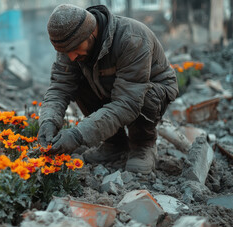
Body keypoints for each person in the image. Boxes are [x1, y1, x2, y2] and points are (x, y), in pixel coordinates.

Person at [38, 4, 178, 174]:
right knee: (78, 84)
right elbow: (60, 87)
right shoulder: (70, 44)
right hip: (108, 86)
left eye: (74, 50)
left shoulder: (131, 38)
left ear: (91, 33)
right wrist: (48, 121)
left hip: (150, 90)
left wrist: (78, 135)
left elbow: (127, 103)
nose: (71, 57)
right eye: (66, 52)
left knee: (147, 96)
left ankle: (143, 145)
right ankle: (115, 144)